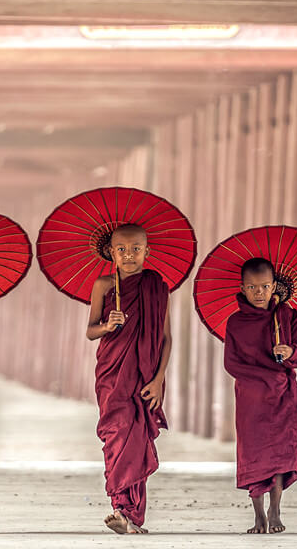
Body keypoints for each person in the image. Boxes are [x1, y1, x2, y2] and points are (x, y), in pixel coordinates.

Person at [85, 224, 172, 534]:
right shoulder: (104, 285)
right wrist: (108, 326)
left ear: (147, 251)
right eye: (121, 249)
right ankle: (121, 507)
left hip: (146, 376)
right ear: (111, 252)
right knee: (119, 433)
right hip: (113, 374)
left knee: (138, 438)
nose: (129, 255)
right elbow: (90, 330)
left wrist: (159, 380)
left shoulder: (157, 286)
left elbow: (165, 338)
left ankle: (129, 514)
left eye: (136, 249)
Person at [222, 257, 297, 534]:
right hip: (251, 398)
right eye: (252, 288)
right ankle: (258, 516)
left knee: (278, 455)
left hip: (283, 396)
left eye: (264, 286)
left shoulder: (290, 317)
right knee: (254, 455)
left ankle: (275, 510)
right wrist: (264, 375)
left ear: (274, 286)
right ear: (242, 288)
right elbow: (232, 363)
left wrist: (290, 353)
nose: (259, 293)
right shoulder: (236, 322)